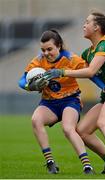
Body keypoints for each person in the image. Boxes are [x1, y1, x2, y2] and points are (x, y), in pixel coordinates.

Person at [43, 11, 105, 174]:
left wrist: (62, 72)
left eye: (87, 22)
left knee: (103, 122)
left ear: (96, 27)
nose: (84, 25)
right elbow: (83, 72)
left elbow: (90, 71)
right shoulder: (87, 53)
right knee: (82, 131)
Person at [18, 29, 96, 174]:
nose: (46, 53)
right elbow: (22, 81)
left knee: (67, 128)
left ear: (59, 46)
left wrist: (104, 87)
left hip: (70, 100)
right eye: (43, 50)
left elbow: (90, 73)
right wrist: (30, 86)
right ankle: (50, 163)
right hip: (49, 103)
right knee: (36, 120)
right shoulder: (38, 61)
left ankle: (87, 166)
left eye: (49, 49)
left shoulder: (71, 59)